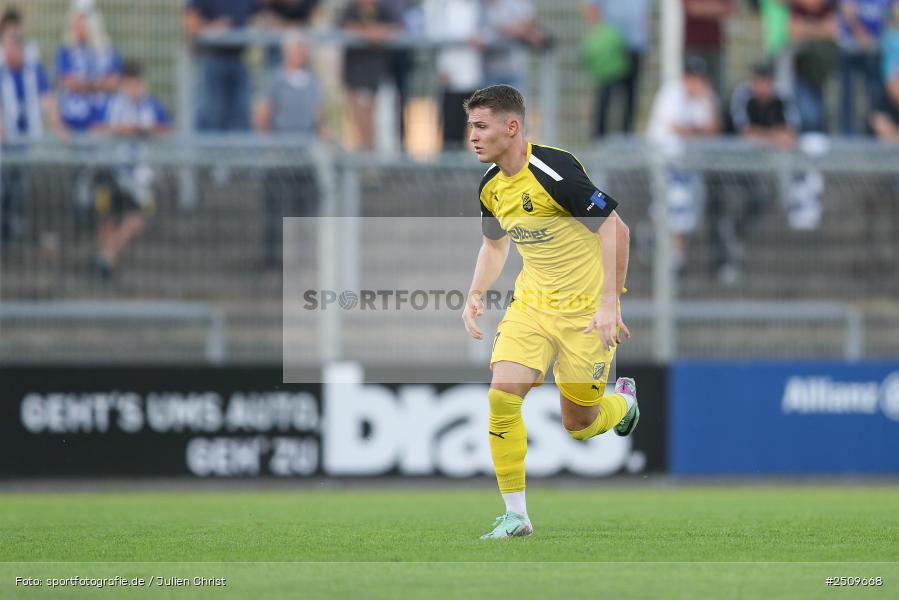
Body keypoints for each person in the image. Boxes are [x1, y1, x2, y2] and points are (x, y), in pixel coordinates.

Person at [461, 85, 639, 539]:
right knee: (502, 397)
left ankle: (622, 402)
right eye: (471, 127)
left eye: (481, 126)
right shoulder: (490, 187)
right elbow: (493, 244)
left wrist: (608, 303)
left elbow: (617, 230)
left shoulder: (553, 170)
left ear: (512, 127)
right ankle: (516, 516)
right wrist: (477, 291)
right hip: (533, 307)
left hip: (585, 312)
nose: (473, 137)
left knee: (578, 425)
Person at [716, 61, 800, 282]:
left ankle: (740, 239)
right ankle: (728, 259)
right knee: (728, 211)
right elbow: (745, 131)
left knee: (762, 199)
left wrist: (768, 137)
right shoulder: (741, 95)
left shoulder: (781, 97)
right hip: (732, 171)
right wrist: (774, 137)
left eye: (767, 81)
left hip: (761, 171)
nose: (763, 86)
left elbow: (790, 133)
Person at [91, 60, 171, 278]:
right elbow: (95, 130)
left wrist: (147, 130)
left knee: (138, 219)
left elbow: (167, 129)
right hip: (111, 170)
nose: (135, 88)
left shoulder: (150, 105)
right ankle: (107, 264)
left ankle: (105, 256)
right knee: (109, 217)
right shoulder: (110, 104)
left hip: (139, 176)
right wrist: (119, 130)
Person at [253, 31, 322, 267]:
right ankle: (274, 258)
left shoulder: (312, 82)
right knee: (277, 208)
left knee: (305, 208)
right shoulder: (275, 80)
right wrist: (268, 146)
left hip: (304, 158)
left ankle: (303, 257)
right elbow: (262, 115)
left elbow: (318, 118)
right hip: (280, 156)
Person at [646, 57, 720, 274]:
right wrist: (698, 134)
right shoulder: (671, 93)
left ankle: (676, 258)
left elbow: (713, 132)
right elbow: (677, 128)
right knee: (668, 207)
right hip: (666, 162)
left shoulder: (706, 97)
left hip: (688, 164)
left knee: (685, 211)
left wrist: (706, 100)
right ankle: (662, 253)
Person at [0, 30, 66, 246]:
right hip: (4, 147)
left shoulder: (33, 71)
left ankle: (8, 228)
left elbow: (47, 100)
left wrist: (59, 126)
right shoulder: (1, 72)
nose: (8, 53)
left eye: (12, 48)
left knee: (17, 189)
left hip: (24, 146)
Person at [184, 0, 259, 131]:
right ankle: (207, 151)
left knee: (241, 117)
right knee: (212, 116)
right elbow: (191, 22)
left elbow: (265, 8)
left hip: (238, 61)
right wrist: (211, 28)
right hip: (213, 60)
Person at [584, 0, 650, 137]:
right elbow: (591, 7)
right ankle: (600, 136)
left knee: (631, 94)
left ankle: (627, 135)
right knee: (606, 92)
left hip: (634, 45)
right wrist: (600, 33)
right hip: (611, 45)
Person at [340, 0, 400, 150]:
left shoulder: (383, 9)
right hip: (356, 76)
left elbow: (398, 27)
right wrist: (367, 32)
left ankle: (371, 161)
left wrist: (381, 31)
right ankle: (366, 161)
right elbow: (344, 27)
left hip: (378, 76)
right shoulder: (350, 9)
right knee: (360, 123)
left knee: (379, 124)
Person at [424, 0, 484, 149]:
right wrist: (441, 67)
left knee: (470, 122)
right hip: (449, 74)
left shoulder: (475, 5)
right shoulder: (441, 6)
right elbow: (435, 34)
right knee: (450, 121)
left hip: (472, 71)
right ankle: (448, 159)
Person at [56, 0, 122, 133]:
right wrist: (98, 85)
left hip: (104, 120)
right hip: (75, 119)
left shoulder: (108, 49)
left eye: (84, 19)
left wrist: (86, 85)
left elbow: (115, 82)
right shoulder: (66, 49)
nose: (80, 24)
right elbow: (70, 82)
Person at [836, 0, 896, 135]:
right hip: (850, 48)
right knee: (848, 95)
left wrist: (883, 36)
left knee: (875, 94)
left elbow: (895, 14)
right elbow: (848, 11)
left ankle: (871, 132)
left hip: (878, 49)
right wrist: (861, 34)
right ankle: (848, 135)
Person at [790, 0, 839, 132]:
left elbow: (833, 31)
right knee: (807, 115)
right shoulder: (798, 8)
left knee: (818, 115)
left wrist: (808, 29)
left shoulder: (828, 8)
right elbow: (795, 31)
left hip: (821, 73)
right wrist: (820, 29)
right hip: (801, 71)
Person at [482, 0, 546, 91]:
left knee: (515, 102)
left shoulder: (515, 4)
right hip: (490, 69)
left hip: (514, 68)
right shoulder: (483, 6)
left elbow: (525, 25)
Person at [683, 0, 736, 99]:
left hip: (715, 45)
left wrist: (703, 8)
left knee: (717, 90)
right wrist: (716, 8)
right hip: (693, 44)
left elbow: (730, 8)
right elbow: (693, 8)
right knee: (692, 88)